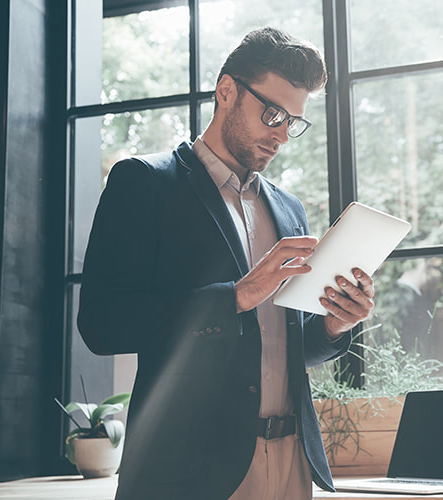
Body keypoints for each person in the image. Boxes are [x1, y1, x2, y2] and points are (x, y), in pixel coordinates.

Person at [77, 27, 375, 500]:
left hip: (293, 464)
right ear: (226, 91)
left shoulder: (289, 209)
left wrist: (336, 326)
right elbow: (101, 324)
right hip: (191, 471)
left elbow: (290, 350)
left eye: (292, 122)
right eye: (272, 114)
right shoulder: (144, 184)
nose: (281, 136)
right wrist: (235, 297)